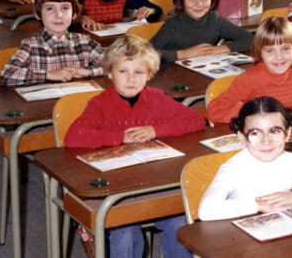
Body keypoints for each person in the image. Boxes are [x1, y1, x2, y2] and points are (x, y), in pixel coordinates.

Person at [65, 35, 205, 258]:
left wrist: (155, 130)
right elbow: (73, 137)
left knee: (180, 223)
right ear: (110, 73)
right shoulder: (100, 104)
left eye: (138, 72)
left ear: (149, 75)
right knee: (124, 232)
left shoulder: (157, 98)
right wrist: (118, 136)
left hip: (153, 185)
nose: (131, 79)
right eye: (123, 71)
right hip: (116, 189)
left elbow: (195, 120)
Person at [198, 96, 292, 220]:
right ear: (242, 137)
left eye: (275, 131)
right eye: (255, 133)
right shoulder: (234, 167)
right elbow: (206, 211)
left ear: (287, 134)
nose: (266, 141)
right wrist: (260, 206)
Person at [0, 0, 103, 85]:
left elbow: (112, 63)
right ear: (38, 14)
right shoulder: (31, 46)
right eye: (50, 8)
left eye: (65, 8)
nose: (58, 15)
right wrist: (47, 74)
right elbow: (6, 75)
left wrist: (89, 71)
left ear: (74, 14)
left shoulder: (84, 42)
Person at [149, 0, 253, 63]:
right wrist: (184, 54)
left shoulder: (215, 20)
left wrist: (221, 49)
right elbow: (145, 53)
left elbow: (251, 39)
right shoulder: (172, 25)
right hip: (176, 74)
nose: (199, 4)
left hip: (205, 71)